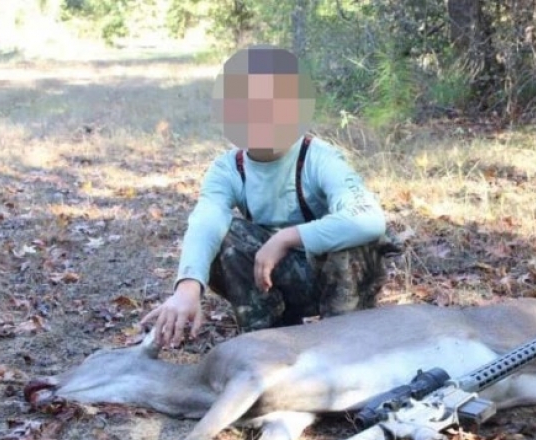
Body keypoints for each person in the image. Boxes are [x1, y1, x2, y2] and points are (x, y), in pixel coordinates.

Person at [141, 45, 391, 347]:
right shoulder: (228, 168)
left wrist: (285, 238)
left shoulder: (319, 157)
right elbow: (206, 221)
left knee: (351, 240)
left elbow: (369, 220)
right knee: (226, 235)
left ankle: (344, 342)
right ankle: (268, 341)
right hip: (275, 277)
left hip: (337, 281)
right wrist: (187, 287)